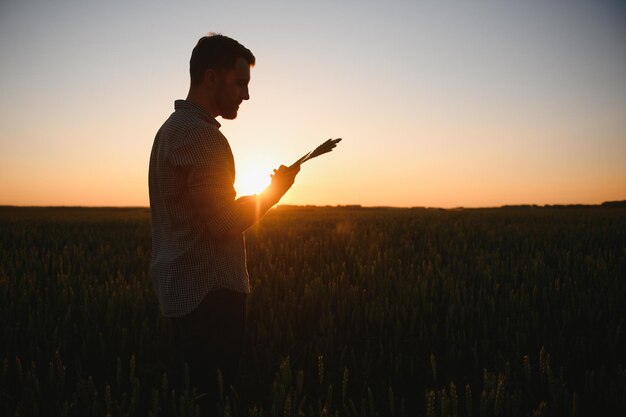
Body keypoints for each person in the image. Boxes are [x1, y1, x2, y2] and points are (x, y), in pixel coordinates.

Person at [148, 33, 299, 415]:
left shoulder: (170, 130)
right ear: (211, 78)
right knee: (213, 399)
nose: (246, 96)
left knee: (191, 397)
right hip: (211, 294)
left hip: (181, 289)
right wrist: (274, 191)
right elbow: (222, 224)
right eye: (241, 83)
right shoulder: (203, 138)